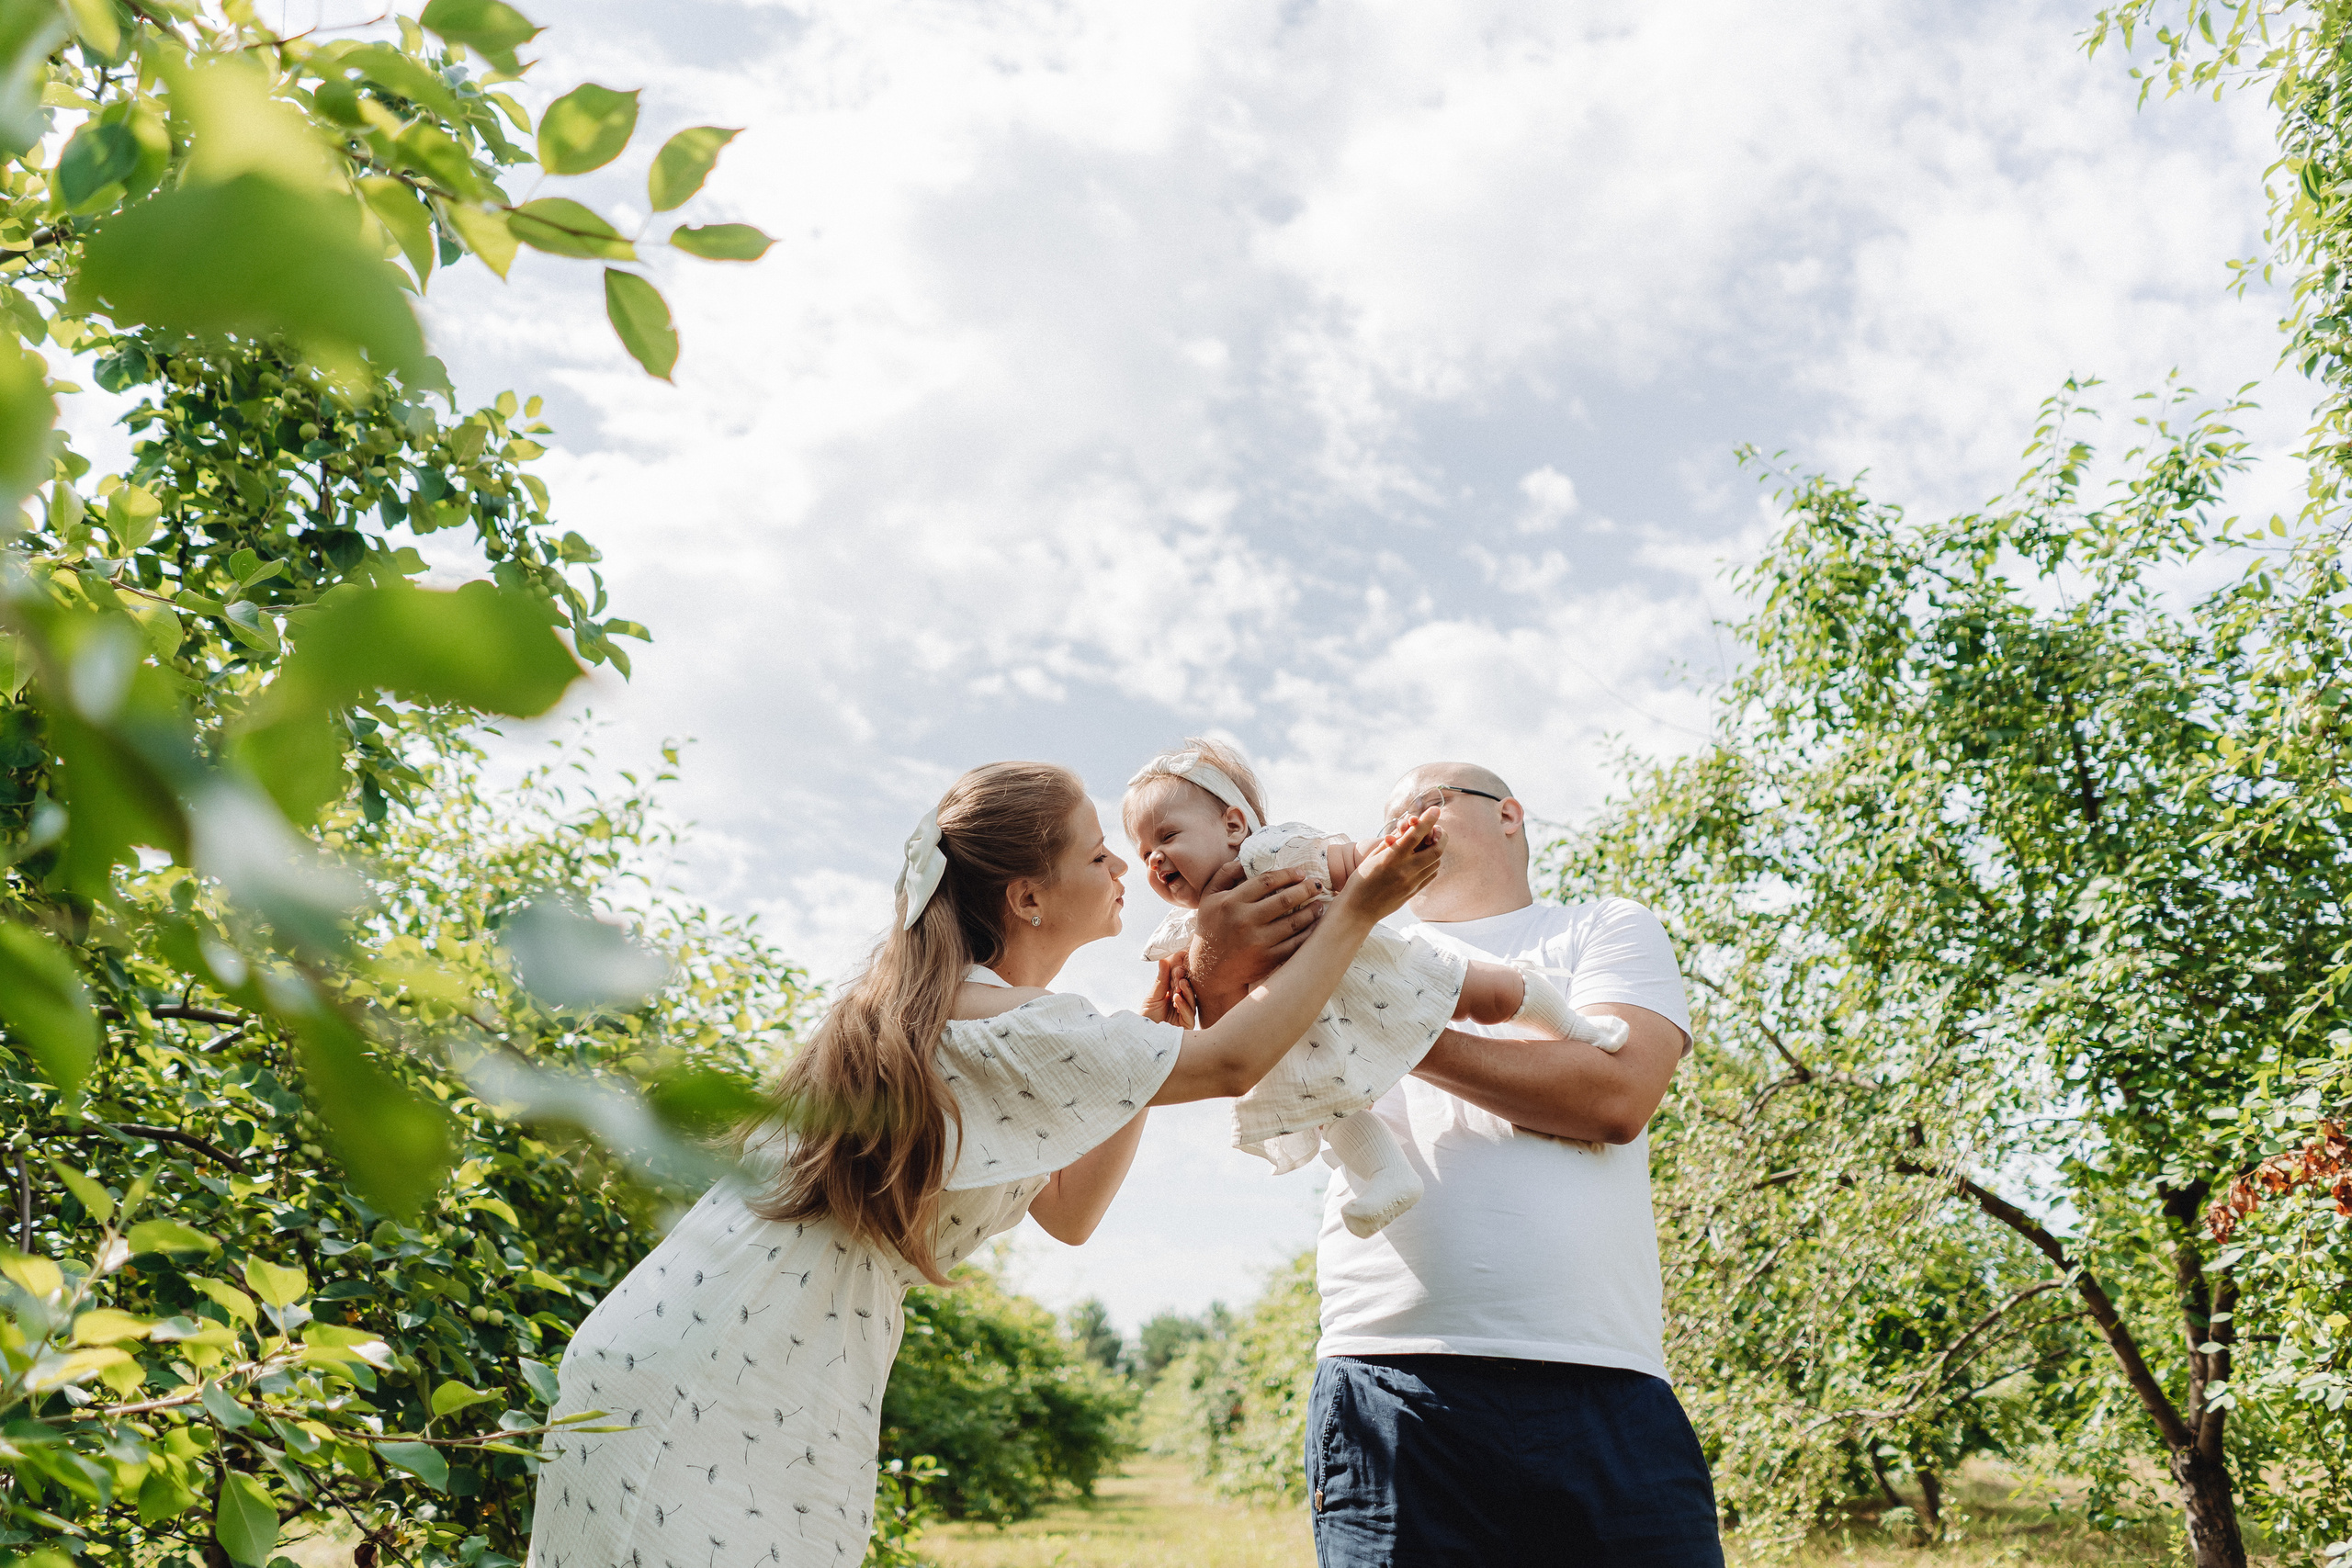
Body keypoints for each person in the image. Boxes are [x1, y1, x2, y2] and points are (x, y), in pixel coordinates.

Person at [524, 761, 1443, 1568]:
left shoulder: (974, 1017)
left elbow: (1069, 1215)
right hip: (728, 1360)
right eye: (1094, 855)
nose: (1123, 867)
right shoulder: (999, 1023)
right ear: (1027, 899)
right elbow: (1234, 1062)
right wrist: (1359, 907)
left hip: (766, 1347)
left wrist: (1155, 1032)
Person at [1183, 761, 1719, 1567]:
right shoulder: (1337, 935)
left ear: (1508, 813)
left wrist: (1388, 1023)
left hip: (1602, 1377)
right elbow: (1247, 1065)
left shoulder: (1603, 926)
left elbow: (1614, 1096)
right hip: (1393, 1382)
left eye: (1427, 805)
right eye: (1386, 818)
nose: (1399, 825)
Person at [1121, 738, 1626, 1235]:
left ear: (1233, 825)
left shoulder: (1269, 854)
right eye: (1143, 852)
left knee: (1487, 992)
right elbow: (1224, 1032)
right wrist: (1201, 977)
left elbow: (1349, 860)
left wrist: (1394, 845)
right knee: (1329, 1108)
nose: (1154, 861)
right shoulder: (1186, 936)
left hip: (1377, 977)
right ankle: (1387, 1177)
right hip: (1310, 1032)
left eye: (1167, 838)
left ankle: (1577, 1025)